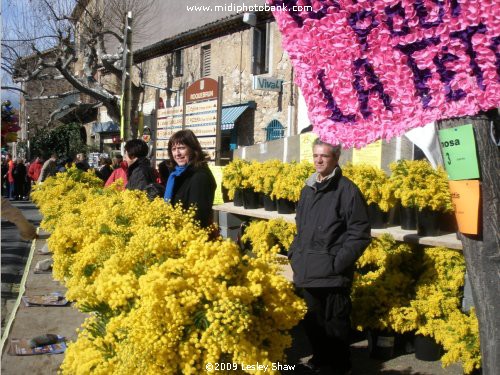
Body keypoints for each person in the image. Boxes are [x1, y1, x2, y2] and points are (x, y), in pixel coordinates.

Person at [289, 138, 371, 375]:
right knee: (313, 323)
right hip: (307, 269)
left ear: (335, 158)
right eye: (315, 155)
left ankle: (339, 366)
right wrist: (295, 253)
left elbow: (360, 233)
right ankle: (320, 358)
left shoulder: (347, 190)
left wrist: (337, 263)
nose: (318, 160)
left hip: (333, 274)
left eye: (324, 156)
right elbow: (301, 227)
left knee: (335, 324)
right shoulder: (308, 188)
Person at [164, 129, 216, 228]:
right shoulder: (177, 174)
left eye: (181, 148)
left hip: (191, 237)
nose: (177, 153)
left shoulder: (200, 177)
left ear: (193, 149)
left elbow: (198, 218)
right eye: (174, 149)